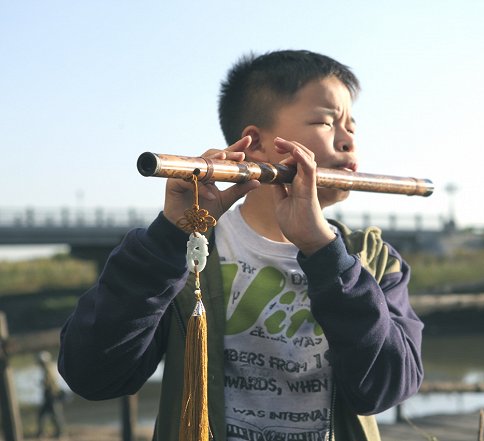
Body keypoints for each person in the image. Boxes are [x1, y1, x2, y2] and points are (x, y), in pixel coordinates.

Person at [58, 50, 424, 441]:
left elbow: (385, 388)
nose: (348, 140)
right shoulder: (186, 256)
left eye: (352, 125)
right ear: (255, 145)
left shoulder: (372, 261)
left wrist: (324, 251)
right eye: (326, 121)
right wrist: (169, 235)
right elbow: (92, 375)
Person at [36, 351, 66, 439]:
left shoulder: (48, 369)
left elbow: (50, 383)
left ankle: (60, 434)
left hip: (51, 396)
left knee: (54, 415)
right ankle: (44, 433)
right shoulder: (50, 368)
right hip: (50, 395)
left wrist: (43, 383)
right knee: (50, 415)